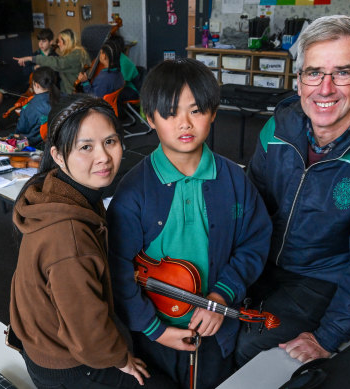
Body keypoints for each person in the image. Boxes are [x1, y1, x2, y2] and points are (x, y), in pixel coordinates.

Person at [234, 15, 350, 367]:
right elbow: (249, 207)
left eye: (343, 73)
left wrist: (330, 335)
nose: (325, 87)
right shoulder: (277, 126)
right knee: (206, 321)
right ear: (300, 80)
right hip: (264, 262)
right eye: (314, 72)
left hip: (325, 280)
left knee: (247, 344)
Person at [106, 58, 272, 389]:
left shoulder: (235, 180)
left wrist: (222, 298)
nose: (184, 123)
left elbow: (254, 241)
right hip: (153, 333)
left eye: (195, 110)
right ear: (150, 119)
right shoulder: (133, 190)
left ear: (212, 113)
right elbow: (118, 268)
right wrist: (156, 330)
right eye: (169, 113)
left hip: (215, 328)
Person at [9, 95, 175, 389]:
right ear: (59, 155)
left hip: (42, 341)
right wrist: (122, 359)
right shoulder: (69, 238)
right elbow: (89, 337)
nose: (104, 157)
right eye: (86, 147)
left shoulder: (56, 189)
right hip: (68, 366)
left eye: (110, 141)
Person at [14, 29, 90, 95]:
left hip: (71, 94)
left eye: (59, 41)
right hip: (66, 92)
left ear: (66, 42)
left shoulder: (76, 54)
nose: (58, 44)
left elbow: (58, 63)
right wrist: (33, 67)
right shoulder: (75, 53)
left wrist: (30, 58)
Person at [15, 66, 60, 146]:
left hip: (39, 146)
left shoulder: (29, 106)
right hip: (63, 142)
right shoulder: (67, 98)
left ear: (36, 85)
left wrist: (23, 113)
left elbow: (20, 130)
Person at [108, 34, 140, 102]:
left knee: (114, 97)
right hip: (123, 88)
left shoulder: (124, 61)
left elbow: (122, 83)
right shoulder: (115, 58)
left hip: (131, 90)